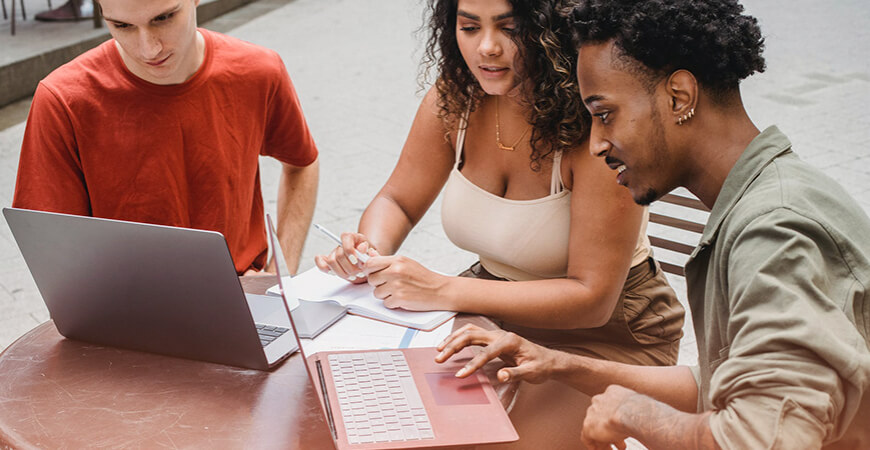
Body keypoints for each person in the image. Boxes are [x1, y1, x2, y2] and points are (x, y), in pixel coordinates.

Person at [436, 0, 870, 448]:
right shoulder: (761, 198)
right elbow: (737, 387)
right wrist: (561, 364)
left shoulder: (773, 234)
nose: (598, 144)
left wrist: (636, 414)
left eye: (605, 114)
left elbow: (763, 439)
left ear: (679, 97)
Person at [317, 0, 684, 446]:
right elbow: (397, 200)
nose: (486, 48)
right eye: (469, 27)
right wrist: (369, 252)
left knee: (493, 441)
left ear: (551, 31)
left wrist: (442, 289)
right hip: (488, 312)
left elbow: (592, 298)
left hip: (610, 334)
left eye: (509, 28)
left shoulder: (595, 126)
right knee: (374, 411)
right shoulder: (454, 100)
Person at [13, 0, 319, 275]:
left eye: (163, 18)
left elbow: (303, 163)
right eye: (122, 26)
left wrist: (281, 271)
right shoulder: (65, 100)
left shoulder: (257, 71)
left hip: (244, 293)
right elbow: (50, 243)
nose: (149, 49)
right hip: (123, 313)